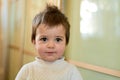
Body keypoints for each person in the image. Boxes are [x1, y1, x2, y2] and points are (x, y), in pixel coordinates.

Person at [15, 4, 83, 80]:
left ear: (66, 42)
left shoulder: (71, 72)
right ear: (34, 41)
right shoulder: (27, 70)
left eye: (58, 40)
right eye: (44, 39)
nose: (51, 45)